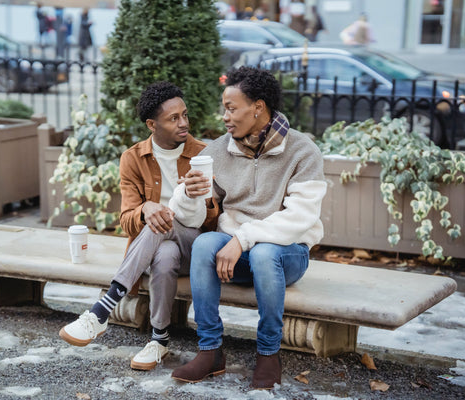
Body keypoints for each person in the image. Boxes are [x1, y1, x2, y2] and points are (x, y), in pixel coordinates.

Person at [169, 66, 327, 389]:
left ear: (258, 107)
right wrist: (188, 195)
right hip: (236, 253)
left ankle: (269, 353)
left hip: (288, 254)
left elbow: (300, 217)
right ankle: (210, 349)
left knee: (265, 254)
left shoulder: (302, 151)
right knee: (202, 245)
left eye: (231, 108)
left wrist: (242, 238)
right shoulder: (217, 151)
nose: (224, 116)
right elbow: (193, 218)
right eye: (223, 108)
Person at [59, 82, 219, 371]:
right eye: (173, 118)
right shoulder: (133, 158)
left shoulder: (205, 154)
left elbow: (214, 221)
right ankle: (159, 340)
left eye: (184, 114)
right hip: (158, 250)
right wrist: (145, 209)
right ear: (151, 124)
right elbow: (126, 221)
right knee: (165, 253)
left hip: (197, 250)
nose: (184, 123)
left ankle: (103, 309)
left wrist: (202, 199)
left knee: (167, 224)